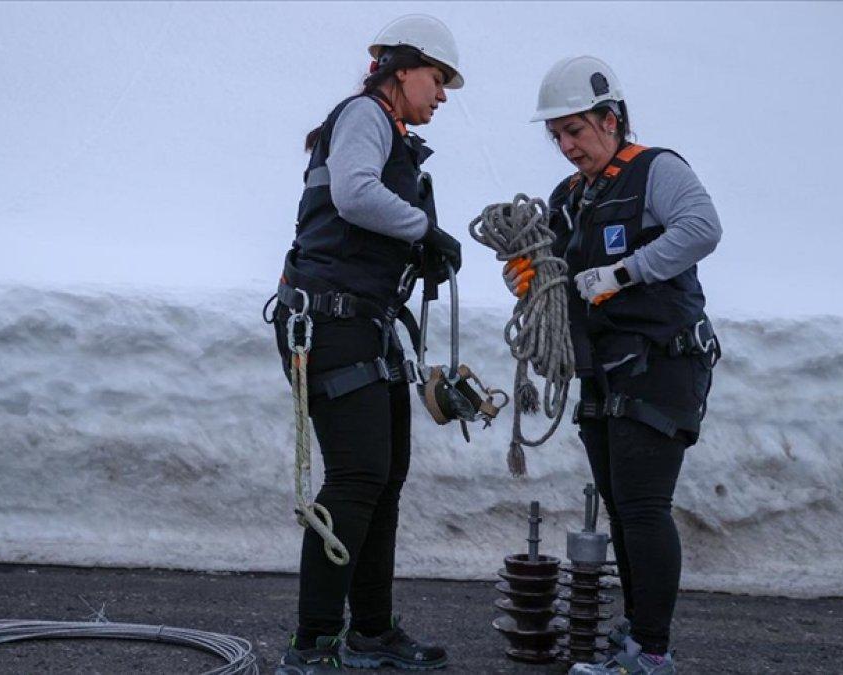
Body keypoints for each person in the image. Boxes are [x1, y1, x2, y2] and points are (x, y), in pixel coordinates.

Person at [504, 56, 722, 675]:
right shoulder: (567, 199)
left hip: (660, 365)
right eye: (558, 136)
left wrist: (625, 271)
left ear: (611, 117)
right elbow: (553, 280)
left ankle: (651, 651)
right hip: (603, 372)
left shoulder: (658, 170)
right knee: (623, 505)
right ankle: (638, 637)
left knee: (643, 505)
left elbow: (702, 228)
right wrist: (531, 279)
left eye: (575, 130)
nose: (567, 146)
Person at [269, 13, 465, 675]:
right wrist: (424, 231)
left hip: (365, 322)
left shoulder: (391, 134)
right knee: (357, 476)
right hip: (331, 321)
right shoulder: (366, 114)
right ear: (401, 69)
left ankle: (372, 632)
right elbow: (354, 195)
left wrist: (418, 247)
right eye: (437, 79)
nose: (441, 94)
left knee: (384, 477)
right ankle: (315, 642)